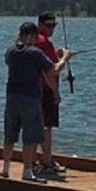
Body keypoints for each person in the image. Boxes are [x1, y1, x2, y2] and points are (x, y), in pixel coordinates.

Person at [0, 21, 71, 182]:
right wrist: (64, 58)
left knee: (10, 135)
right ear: (32, 36)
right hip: (30, 99)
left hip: (11, 98)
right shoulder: (35, 53)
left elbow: (14, 56)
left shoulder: (10, 51)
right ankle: (27, 172)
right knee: (30, 137)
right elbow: (53, 70)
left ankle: (5, 169)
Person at [34, 12, 67, 178]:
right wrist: (65, 58)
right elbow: (52, 71)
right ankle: (46, 162)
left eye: (53, 25)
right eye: (48, 25)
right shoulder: (43, 42)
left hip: (33, 89)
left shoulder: (32, 41)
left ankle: (33, 161)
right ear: (39, 24)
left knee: (34, 125)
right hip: (46, 90)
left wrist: (58, 57)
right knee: (46, 127)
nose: (51, 28)